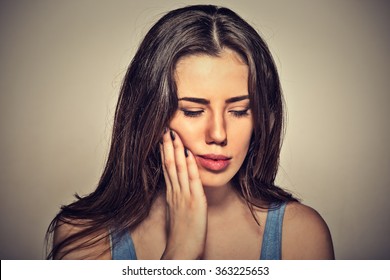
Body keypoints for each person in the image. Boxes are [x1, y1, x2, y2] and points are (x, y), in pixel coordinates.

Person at [46, 4, 334, 260]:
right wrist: (180, 251)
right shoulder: (84, 238)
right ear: (150, 115)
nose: (219, 134)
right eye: (193, 111)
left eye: (239, 110)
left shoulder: (300, 236)